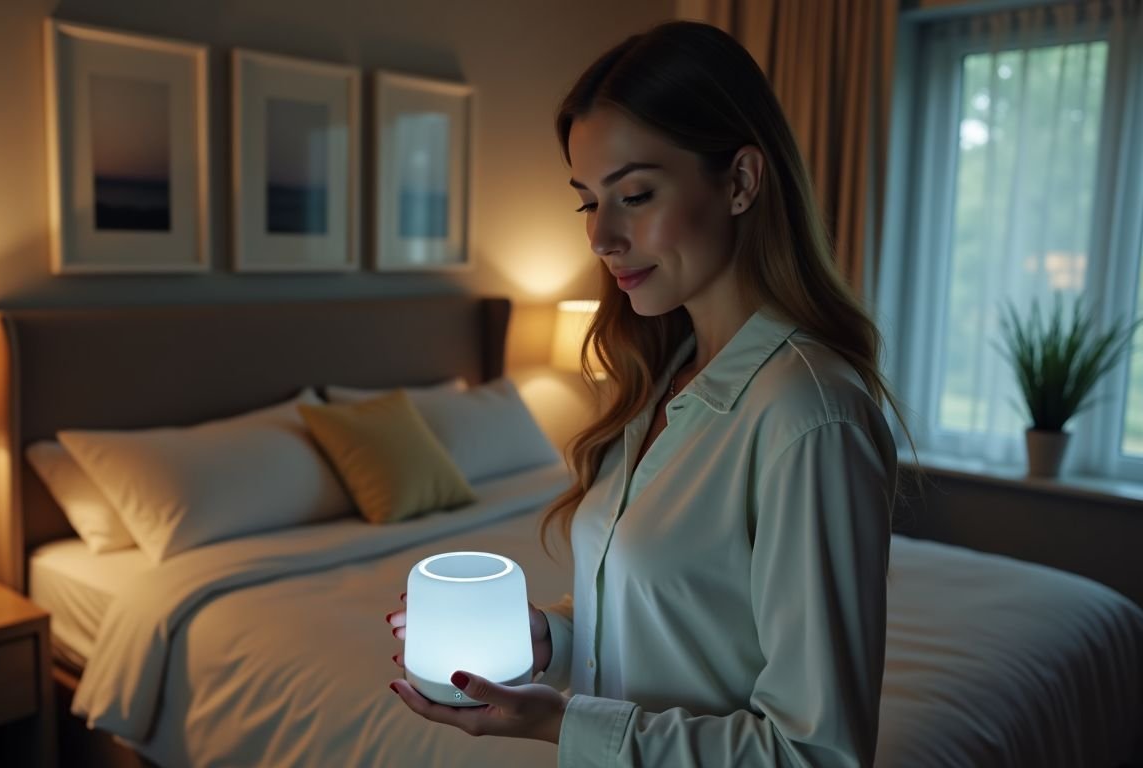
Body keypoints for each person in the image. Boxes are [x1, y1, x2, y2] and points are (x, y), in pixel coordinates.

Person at [387, 19, 903, 767]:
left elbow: (811, 754)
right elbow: (679, 626)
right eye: (587, 201)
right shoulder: (667, 375)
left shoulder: (806, 412)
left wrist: (559, 724)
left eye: (634, 193)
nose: (600, 237)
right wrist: (550, 640)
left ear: (740, 182)